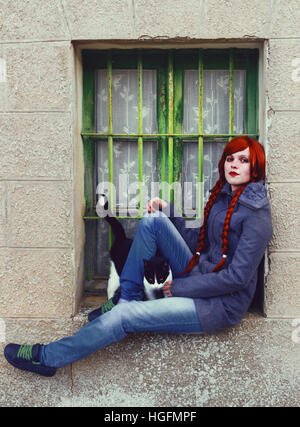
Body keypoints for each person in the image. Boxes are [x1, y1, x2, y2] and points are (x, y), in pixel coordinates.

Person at [4, 136, 273, 377]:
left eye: (243, 160)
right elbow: (198, 244)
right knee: (153, 220)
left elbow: (237, 278)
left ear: (255, 167)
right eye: (230, 158)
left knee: (124, 317)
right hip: (197, 275)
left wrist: (179, 286)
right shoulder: (223, 199)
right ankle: (128, 295)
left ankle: (49, 357)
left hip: (217, 306)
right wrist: (169, 212)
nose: (234, 164)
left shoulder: (256, 216)